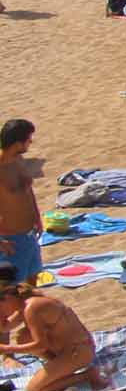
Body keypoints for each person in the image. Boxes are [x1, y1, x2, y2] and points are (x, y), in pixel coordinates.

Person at [0, 262, 98, 391]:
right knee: (23, 336)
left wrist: (7, 349)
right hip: (70, 347)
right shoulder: (23, 303)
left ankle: (87, 375)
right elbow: (4, 327)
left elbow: (41, 344)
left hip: (79, 351)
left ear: (8, 298)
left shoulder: (32, 308)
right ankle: (59, 365)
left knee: (34, 389)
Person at [0, 120, 38, 293]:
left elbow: (28, 192)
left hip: (30, 235)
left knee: (31, 287)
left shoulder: (19, 159)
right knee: (10, 294)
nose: (31, 142)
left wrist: (37, 217)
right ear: (17, 144)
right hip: (11, 241)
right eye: (29, 140)